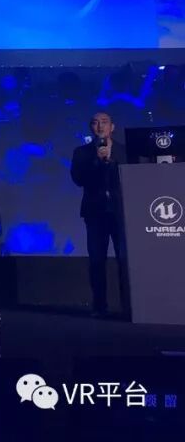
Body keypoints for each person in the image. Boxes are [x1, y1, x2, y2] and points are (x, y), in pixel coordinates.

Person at [70, 112, 128, 318]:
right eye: (95, 123)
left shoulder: (124, 150)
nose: (100, 126)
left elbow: (132, 176)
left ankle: (129, 306)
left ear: (112, 127)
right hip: (95, 213)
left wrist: (111, 160)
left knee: (126, 261)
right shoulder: (82, 152)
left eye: (104, 122)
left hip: (123, 213)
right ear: (91, 127)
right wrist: (98, 160)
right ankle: (100, 306)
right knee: (97, 261)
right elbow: (78, 179)